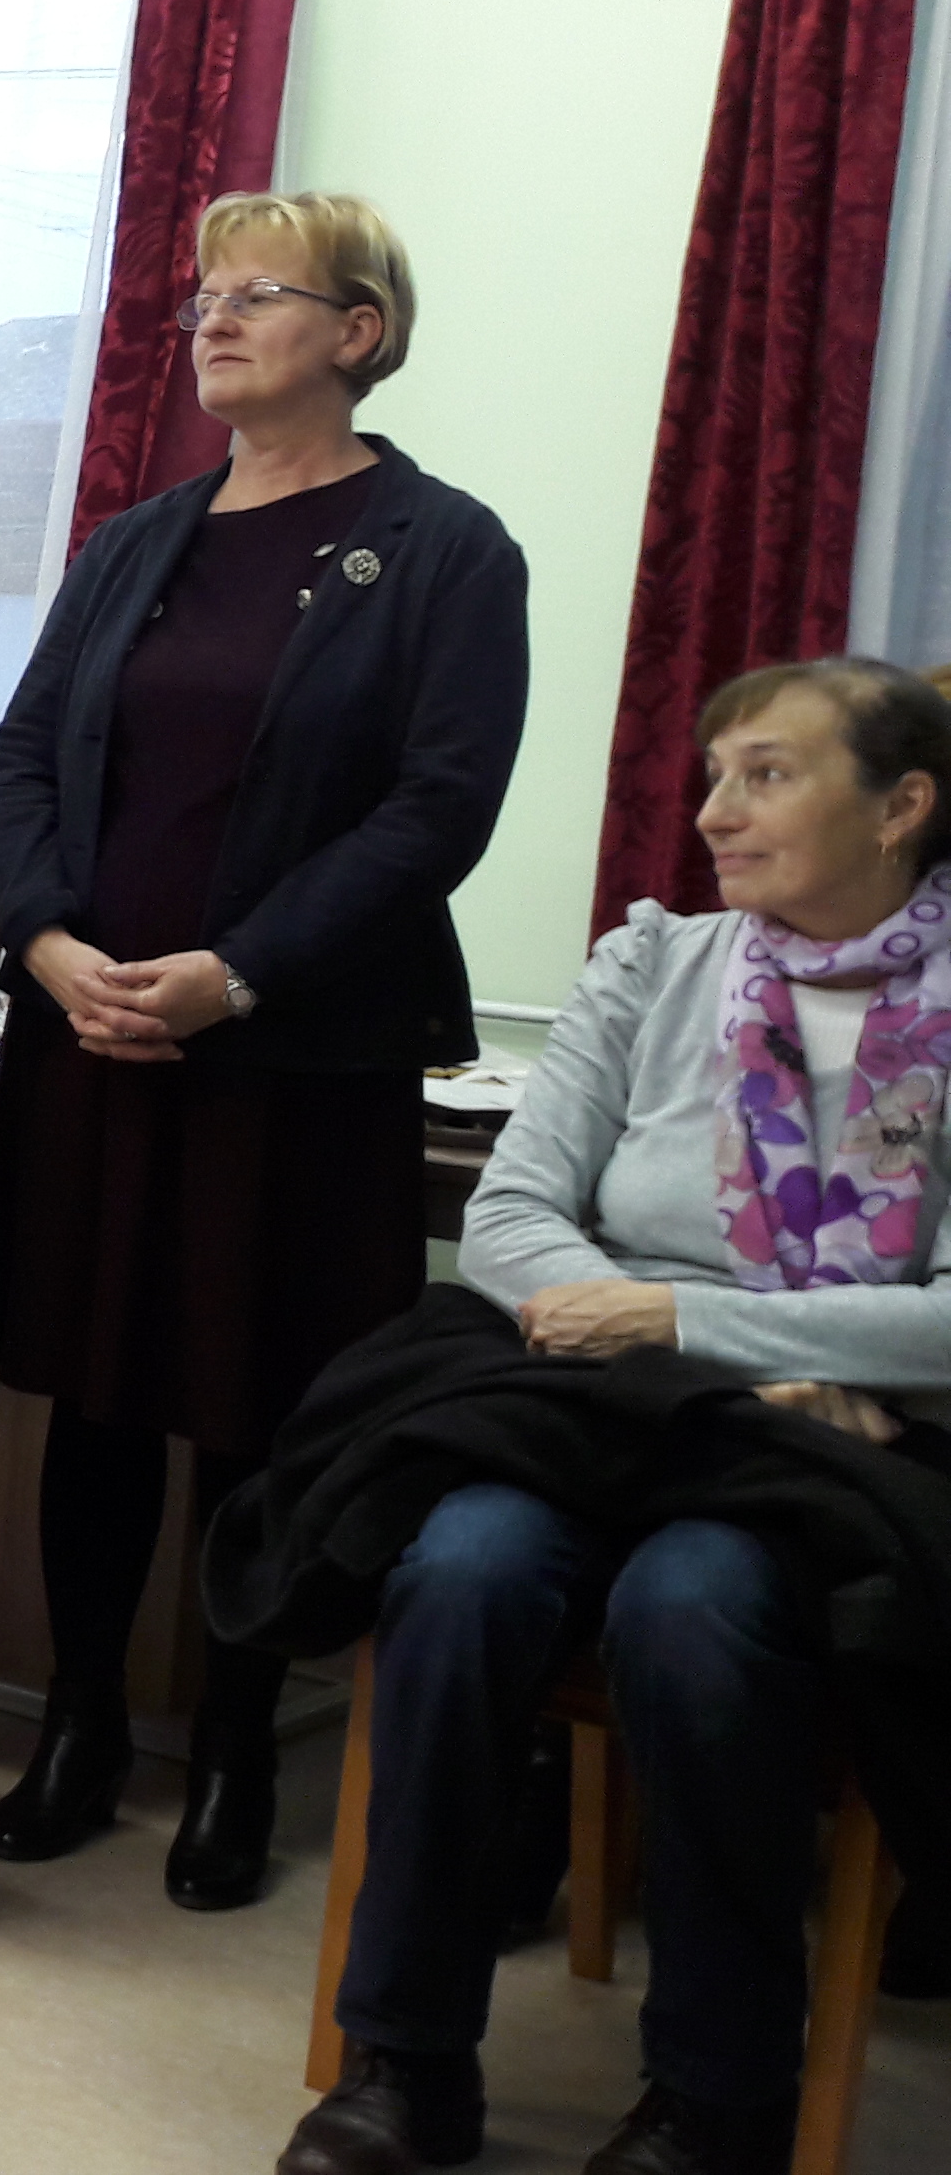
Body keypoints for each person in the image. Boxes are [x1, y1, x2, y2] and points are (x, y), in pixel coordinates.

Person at [242, 657, 951, 2175]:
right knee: (461, 1568)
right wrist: (696, 1344)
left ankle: (718, 2095)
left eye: (767, 775)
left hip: (826, 1450)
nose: (713, 812)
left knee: (696, 1607)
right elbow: (511, 1222)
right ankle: (404, 2059)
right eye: (715, 774)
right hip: (598, 1400)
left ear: (902, 806)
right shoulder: (657, 963)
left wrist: (690, 1323)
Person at [0, 188, 529, 1909]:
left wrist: (241, 973)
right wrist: (47, 944)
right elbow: (24, 757)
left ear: (358, 331)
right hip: (90, 1032)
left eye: (257, 292)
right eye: (200, 297)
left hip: (292, 1057)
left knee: (257, 1406)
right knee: (92, 1394)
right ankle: (80, 1723)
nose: (209, 319)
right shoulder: (132, 542)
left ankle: (231, 1749)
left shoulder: (444, 548)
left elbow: (436, 807)